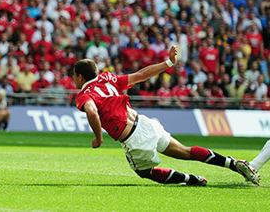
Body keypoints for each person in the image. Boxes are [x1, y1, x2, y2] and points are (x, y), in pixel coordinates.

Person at [73, 45, 260, 186]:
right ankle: (234, 164)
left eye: (75, 76)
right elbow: (141, 74)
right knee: (186, 151)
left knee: (146, 173)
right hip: (146, 123)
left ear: (80, 77)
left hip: (133, 138)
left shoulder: (84, 94)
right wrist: (168, 63)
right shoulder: (109, 79)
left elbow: (91, 110)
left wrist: (98, 138)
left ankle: (192, 180)